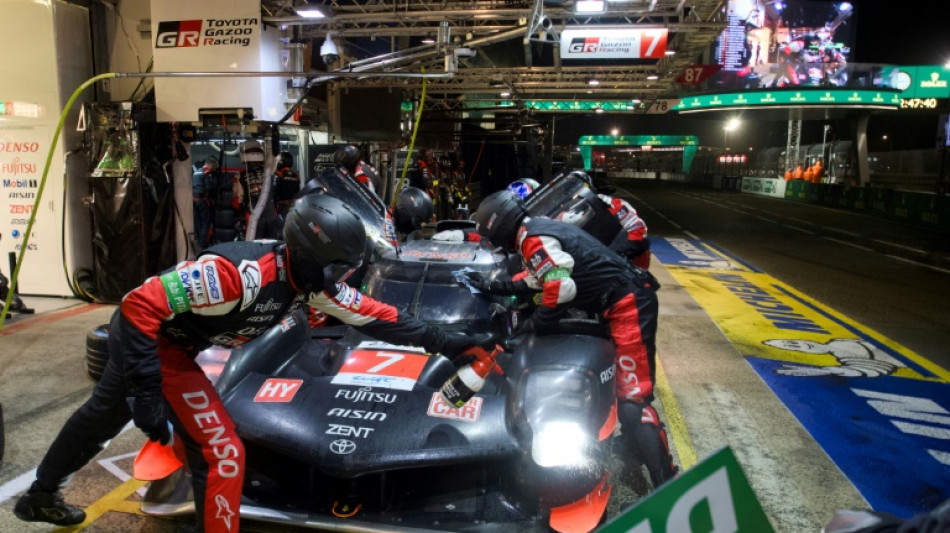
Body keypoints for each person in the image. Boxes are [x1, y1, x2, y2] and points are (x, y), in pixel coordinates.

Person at [13, 194, 483, 532]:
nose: (343, 275)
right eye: (337, 264)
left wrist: (445, 341)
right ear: (310, 254)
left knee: (100, 416)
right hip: (151, 336)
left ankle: (39, 497)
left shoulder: (308, 282)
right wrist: (149, 388)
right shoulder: (238, 277)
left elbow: (376, 315)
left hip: (169, 339)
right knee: (222, 452)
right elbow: (138, 305)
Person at [466, 190, 677, 488]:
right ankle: (635, 448)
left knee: (633, 401)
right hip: (620, 298)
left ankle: (667, 483)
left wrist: (537, 323)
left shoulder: (533, 238)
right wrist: (492, 285)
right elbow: (538, 278)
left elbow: (561, 288)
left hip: (627, 303)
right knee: (626, 397)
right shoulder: (536, 229)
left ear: (499, 227)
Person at [192, 156, 220, 249]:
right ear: (211, 164)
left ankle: (199, 242)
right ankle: (203, 244)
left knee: (198, 222)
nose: (214, 169)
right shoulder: (206, 172)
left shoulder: (196, 171)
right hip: (202, 200)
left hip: (193, 200)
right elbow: (209, 187)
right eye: (214, 167)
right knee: (205, 222)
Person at [272, 151, 301, 220]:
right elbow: (297, 193)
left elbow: (274, 193)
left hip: (280, 206)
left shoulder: (278, 175)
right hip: (292, 206)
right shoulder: (296, 176)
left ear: (281, 162)